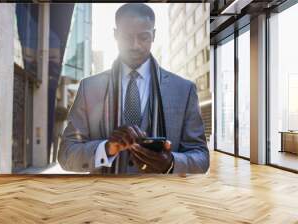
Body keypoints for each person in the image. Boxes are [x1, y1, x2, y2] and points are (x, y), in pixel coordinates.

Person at [58, 3, 209, 174]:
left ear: (154, 35)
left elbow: (201, 157)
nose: (135, 45)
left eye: (143, 37)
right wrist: (106, 148)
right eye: (127, 37)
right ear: (115, 35)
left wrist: (172, 163)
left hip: (161, 197)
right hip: (104, 198)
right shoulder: (89, 88)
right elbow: (66, 155)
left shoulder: (184, 90)